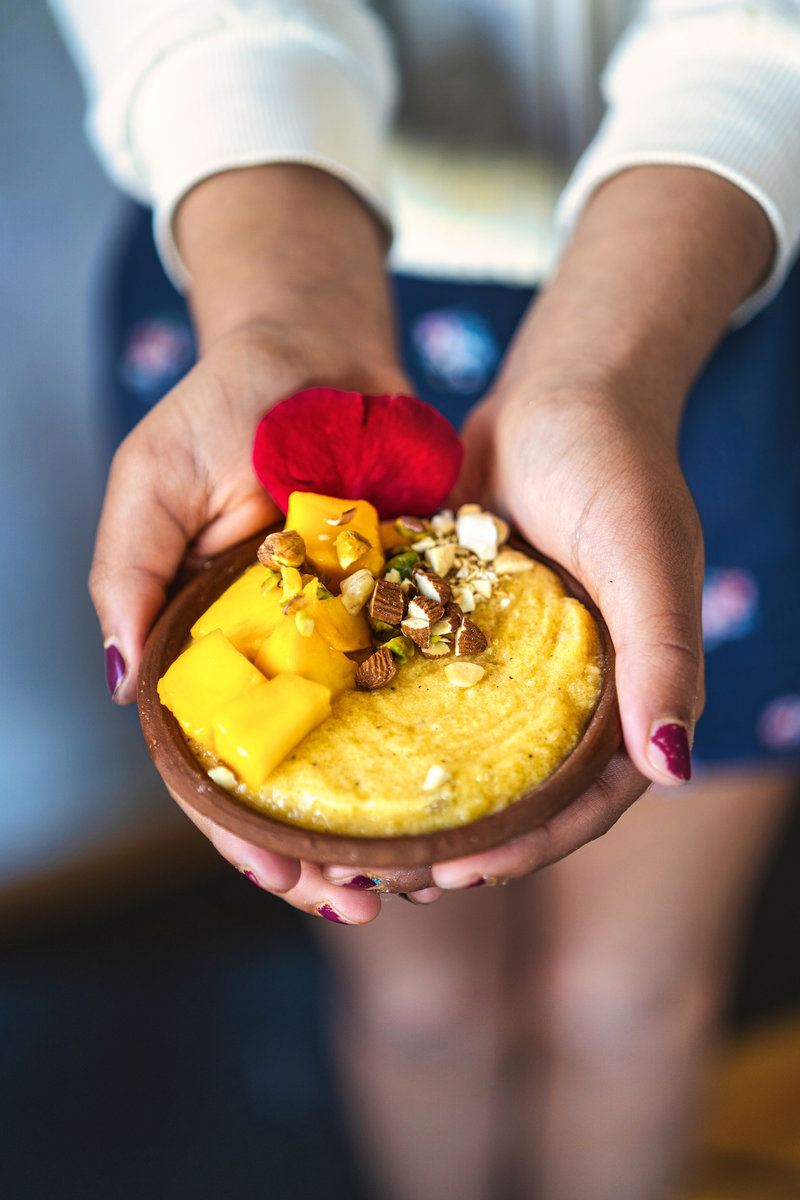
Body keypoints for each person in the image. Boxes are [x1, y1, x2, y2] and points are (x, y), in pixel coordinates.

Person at [51, 2, 800, 1197]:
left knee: (630, 998)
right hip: (267, 258)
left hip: (698, 282)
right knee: (418, 1000)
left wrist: (600, 371)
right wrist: (282, 313)